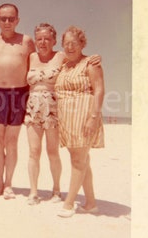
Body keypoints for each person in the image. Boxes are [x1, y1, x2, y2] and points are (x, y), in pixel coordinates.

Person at [24, 23, 101, 205]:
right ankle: (33, 191)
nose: (43, 42)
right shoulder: (30, 57)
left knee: (52, 152)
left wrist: (94, 58)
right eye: (39, 39)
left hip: (55, 109)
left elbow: (80, 60)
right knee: (34, 152)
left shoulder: (61, 57)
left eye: (47, 39)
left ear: (54, 41)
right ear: (35, 40)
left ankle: (56, 190)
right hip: (33, 107)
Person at [0, 3, 35, 199]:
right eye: (3, 18)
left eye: (11, 18)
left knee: (12, 141)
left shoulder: (27, 41)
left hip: (19, 94)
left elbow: (38, 62)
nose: (7, 22)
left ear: (17, 20)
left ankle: (9, 184)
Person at [54, 26, 105, 217]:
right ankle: (90, 203)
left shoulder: (91, 63)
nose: (69, 47)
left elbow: (99, 90)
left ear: (82, 44)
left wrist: (93, 117)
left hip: (84, 116)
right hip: (67, 118)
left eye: (74, 43)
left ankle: (68, 204)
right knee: (82, 161)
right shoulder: (64, 66)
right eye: (66, 43)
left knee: (78, 160)